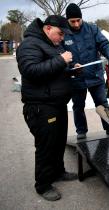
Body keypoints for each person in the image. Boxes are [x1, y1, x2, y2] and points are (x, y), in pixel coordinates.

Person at [16, 15, 80, 201]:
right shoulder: (30, 44)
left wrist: (71, 70)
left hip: (57, 104)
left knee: (59, 141)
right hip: (40, 107)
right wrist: (61, 60)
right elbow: (31, 71)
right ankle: (43, 185)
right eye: (60, 33)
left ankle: (58, 172)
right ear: (48, 28)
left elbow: (54, 71)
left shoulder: (52, 45)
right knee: (46, 146)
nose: (62, 38)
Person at [63, 3, 109, 139]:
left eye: (78, 20)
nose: (76, 24)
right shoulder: (63, 33)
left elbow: (104, 44)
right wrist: (71, 66)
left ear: (82, 18)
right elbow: (60, 54)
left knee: (102, 103)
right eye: (72, 21)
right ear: (67, 20)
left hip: (95, 75)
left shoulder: (92, 29)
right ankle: (81, 132)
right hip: (76, 78)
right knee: (78, 106)